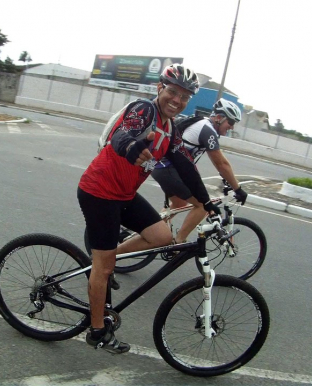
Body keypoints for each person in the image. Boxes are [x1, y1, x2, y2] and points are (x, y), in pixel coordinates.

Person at [77, 64, 220, 354]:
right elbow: (122, 136)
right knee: (103, 269)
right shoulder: (144, 111)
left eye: (184, 96)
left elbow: (185, 168)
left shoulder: (170, 129)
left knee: (162, 236)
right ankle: (96, 331)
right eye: (172, 92)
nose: (176, 100)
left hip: (124, 194)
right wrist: (130, 147)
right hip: (99, 192)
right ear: (160, 89)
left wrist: (205, 202)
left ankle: (104, 264)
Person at [151, 99, 248, 244]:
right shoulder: (207, 130)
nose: (232, 127)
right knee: (203, 205)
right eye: (231, 122)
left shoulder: (203, 123)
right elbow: (221, 164)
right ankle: (179, 241)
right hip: (167, 168)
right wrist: (238, 188)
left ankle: (150, 230)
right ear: (219, 118)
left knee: (179, 204)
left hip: (163, 167)